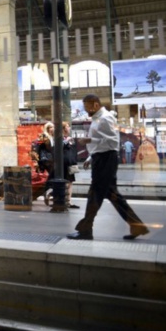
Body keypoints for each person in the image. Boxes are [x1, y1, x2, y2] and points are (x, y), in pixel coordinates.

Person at [67, 95, 149, 241]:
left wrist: (89, 140)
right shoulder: (98, 119)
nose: (86, 110)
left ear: (96, 105)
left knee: (95, 194)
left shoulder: (106, 118)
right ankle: (137, 225)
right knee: (113, 195)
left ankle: (85, 229)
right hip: (101, 158)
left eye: (87, 107)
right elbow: (101, 143)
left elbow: (113, 141)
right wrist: (91, 156)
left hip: (106, 159)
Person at [62, 122, 79, 209]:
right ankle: (64, 200)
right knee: (66, 182)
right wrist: (66, 141)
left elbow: (74, 152)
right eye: (68, 126)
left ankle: (69, 201)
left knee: (70, 182)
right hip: (64, 163)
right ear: (64, 128)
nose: (69, 128)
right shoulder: (60, 139)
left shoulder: (71, 139)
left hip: (71, 163)